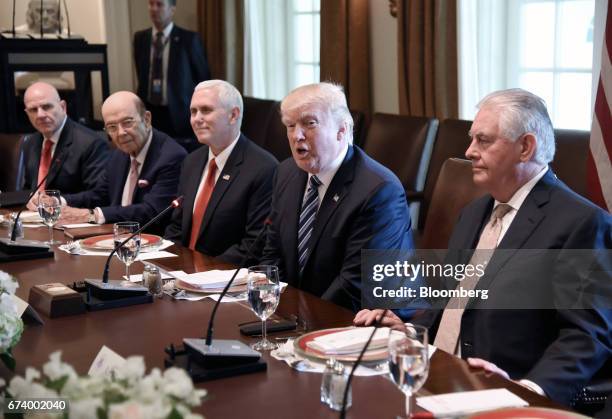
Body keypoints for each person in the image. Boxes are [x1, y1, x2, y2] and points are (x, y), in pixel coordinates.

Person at [354, 88, 612, 406]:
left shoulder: (582, 222)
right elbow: (454, 302)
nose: (470, 151)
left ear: (525, 147)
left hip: (505, 395)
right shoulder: (474, 213)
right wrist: (409, 329)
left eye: (484, 140)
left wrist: (526, 390)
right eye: (472, 139)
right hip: (439, 379)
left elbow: (586, 337)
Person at [260, 82, 413, 311]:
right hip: (297, 315)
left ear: (342, 130)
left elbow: (354, 284)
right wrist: (276, 309)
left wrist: (298, 318)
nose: (296, 136)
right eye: (290, 126)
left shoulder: (379, 190)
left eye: (309, 124)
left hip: (360, 321)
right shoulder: (286, 173)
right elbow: (273, 254)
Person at [164, 80, 277, 264]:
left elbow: (254, 245)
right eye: (193, 112)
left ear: (233, 115)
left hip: (222, 279)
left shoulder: (263, 168)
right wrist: (170, 263)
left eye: (206, 110)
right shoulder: (191, 161)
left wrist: (201, 272)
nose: (197, 119)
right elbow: (177, 227)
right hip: (182, 275)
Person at [59, 91, 186, 230]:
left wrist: (93, 215)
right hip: (116, 237)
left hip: (152, 242)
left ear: (147, 119)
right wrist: (60, 201)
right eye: (112, 127)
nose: (120, 133)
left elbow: (152, 211)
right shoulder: (118, 155)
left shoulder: (172, 157)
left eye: (127, 123)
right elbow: (100, 194)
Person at [133, 0, 210, 150]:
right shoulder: (140, 38)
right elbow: (141, 73)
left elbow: (203, 78)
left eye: (160, 4)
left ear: (172, 9)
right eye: (151, 4)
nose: (154, 9)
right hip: (150, 111)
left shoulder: (189, 39)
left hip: (178, 114)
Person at [21, 82, 109, 208]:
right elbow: (29, 188)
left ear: (62, 107)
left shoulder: (90, 143)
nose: (40, 115)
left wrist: (58, 201)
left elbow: (99, 195)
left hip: (72, 219)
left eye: (46, 107)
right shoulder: (30, 143)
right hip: (34, 219)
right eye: (33, 110)